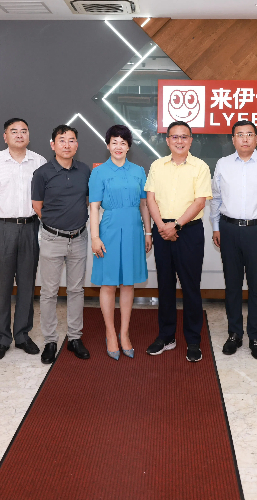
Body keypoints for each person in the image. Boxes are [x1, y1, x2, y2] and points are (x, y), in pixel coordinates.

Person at [211, 120, 257, 360]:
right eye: (240, 134)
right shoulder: (222, 163)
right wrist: (215, 227)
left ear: (256, 138)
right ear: (233, 139)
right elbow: (216, 198)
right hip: (228, 229)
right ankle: (234, 334)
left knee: (256, 286)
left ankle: (255, 336)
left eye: (249, 134)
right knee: (232, 285)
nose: (245, 139)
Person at [0, 118, 47, 361]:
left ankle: (22, 335)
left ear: (29, 135)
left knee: (27, 285)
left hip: (30, 228)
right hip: (3, 228)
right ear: (5, 136)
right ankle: (2, 338)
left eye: (23, 131)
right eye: (14, 131)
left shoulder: (39, 162)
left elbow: (46, 199)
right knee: (3, 286)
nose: (19, 135)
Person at [145, 120, 213, 363]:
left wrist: (177, 225)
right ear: (167, 140)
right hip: (162, 229)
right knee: (165, 285)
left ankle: (193, 340)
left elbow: (200, 202)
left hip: (189, 231)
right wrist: (162, 226)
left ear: (191, 140)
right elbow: (150, 198)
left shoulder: (200, 167)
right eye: (175, 137)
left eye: (184, 137)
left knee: (190, 286)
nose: (179, 141)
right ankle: (166, 336)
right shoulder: (157, 165)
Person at [89, 125, 152, 360]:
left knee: (128, 283)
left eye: (123, 143)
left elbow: (144, 204)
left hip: (134, 229)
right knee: (108, 283)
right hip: (109, 230)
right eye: (114, 142)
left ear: (128, 147)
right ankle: (110, 333)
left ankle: (124, 333)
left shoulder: (138, 171)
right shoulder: (98, 172)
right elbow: (94, 207)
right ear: (108, 145)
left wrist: (148, 233)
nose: (118, 146)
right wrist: (95, 237)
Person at [31, 125, 92, 364]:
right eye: (62, 140)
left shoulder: (84, 170)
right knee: (49, 292)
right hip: (52, 239)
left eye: (71, 140)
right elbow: (37, 206)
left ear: (77, 144)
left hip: (79, 238)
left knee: (76, 290)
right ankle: (50, 341)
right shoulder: (42, 173)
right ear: (52, 144)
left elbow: (87, 201)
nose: (67, 144)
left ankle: (75, 338)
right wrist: (55, 226)